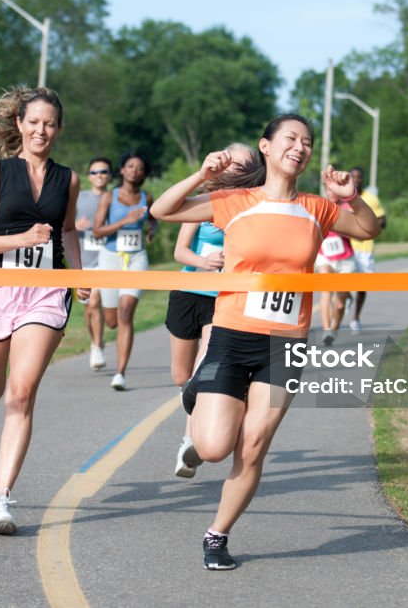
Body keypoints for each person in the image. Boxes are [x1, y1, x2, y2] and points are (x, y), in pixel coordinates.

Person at [151, 114, 381, 570]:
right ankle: (198, 401)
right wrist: (203, 174)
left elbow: (370, 229)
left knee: (253, 444)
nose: (300, 147)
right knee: (215, 448)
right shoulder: (234, 200)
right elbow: (163, 210)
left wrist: (349, 195)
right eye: (291, 139)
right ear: (267, 147)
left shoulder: (318, 208)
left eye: (307, 142)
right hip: (233, 336)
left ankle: (217, 535)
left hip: (285, 344)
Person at [0, 86, 88, 536]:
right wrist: (21, 239)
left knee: (21, 393)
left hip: (45, 292)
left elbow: (68, 231)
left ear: (59, 129)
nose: (42, 130)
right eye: (34, 122)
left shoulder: (68, 179)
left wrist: (79, 273)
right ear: (19, 124)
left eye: (50, 123)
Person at [165, 143, 264, 479]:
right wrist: (203, 262)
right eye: (227, 157)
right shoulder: (205, 201)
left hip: (223, 299)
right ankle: (193, 404)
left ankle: (188, 441)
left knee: (201, 367)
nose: (229, 163)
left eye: (238, 161)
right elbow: (180, 251)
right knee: (182, 376)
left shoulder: (252, 207)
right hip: (187, 293)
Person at [92, 150, 157, 391]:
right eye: (130, 166)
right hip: (110, 258)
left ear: (143, 174)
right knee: (111, 321)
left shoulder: (146, 197)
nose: (134, 171)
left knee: (126, 312)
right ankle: (101, 343)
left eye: (139, 168)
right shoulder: (110, 196)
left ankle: (120, 373)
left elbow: (153, 218)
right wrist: (124, 221)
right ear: (122, 170)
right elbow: (98, 231)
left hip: (137, 258)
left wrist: (151, 229)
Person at [76, 156, 113, 370]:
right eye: (94, 172)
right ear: (89, 176)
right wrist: (75, 224)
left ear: (109, 175)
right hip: (84, 260)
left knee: (95, 301)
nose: (99, 175)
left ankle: (98, 346)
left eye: (103, 172)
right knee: (89, 309)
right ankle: (94, 342)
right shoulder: (79, 198)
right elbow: (63, 224)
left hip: (107, 259)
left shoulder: (116, 198)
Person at [346, 166, 386, 333]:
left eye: (358, 177)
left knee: (362, 286)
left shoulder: (371, 198)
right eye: (352, 177)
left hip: (365, 248)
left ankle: (355, 319)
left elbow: (383, 221)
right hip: (346, 247)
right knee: (342, 280)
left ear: (362, 179)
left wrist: (367, 227)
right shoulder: (343, 197)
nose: (355, 180)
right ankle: (346, 295)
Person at [314, 187, 355, 346]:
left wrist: (343, 228)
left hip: (345, 258)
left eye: (334, 191)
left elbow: (357, 231)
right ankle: (326, 330)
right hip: (325, 256)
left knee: (339, 303)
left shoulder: (347, 208)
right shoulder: (320, 206)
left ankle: (335, 328)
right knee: (326, 292)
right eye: (328, 190)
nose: (332, 194)